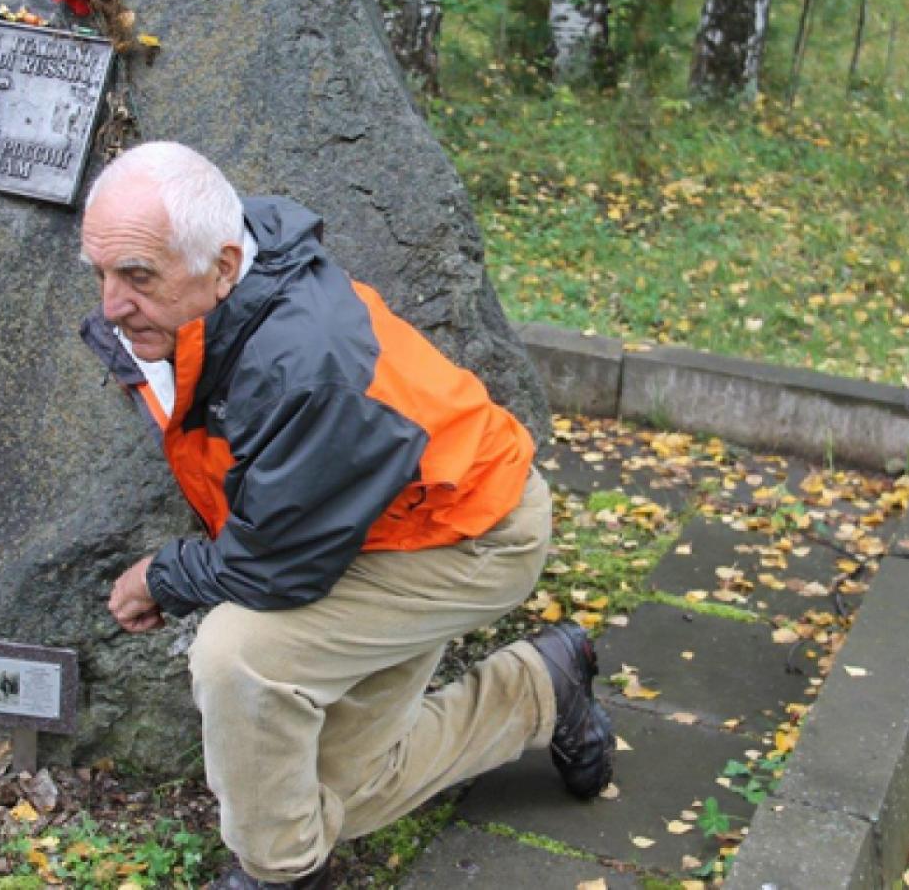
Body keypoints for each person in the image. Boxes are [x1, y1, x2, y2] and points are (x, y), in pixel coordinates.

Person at [79, 142, 614, 889]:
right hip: (376, 522)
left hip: (469, 533)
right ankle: (544, 687)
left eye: (137, 276)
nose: (110, 304)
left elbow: (275, 562)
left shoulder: (304, 358)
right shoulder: (216, 292)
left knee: (238, 654)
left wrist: (161, 576)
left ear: (225, 265)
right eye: (100, 273)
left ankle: (283, 873)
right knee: (338, 792)